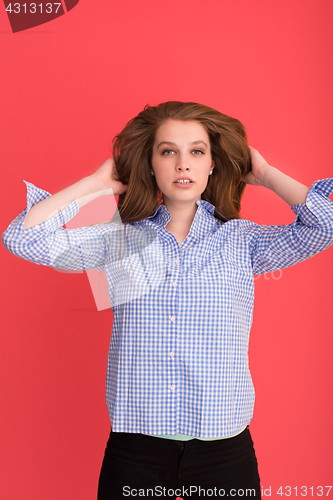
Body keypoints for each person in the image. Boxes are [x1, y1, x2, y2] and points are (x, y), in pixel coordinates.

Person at [2, 101, 333, 500]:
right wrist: (95, 184)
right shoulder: (119, 238)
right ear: (152, 164)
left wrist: (263, 173)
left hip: (224, 449)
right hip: (137, 448)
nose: (183, 164)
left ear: (212, 164)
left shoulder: (243, 241)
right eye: (168, 151)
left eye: (197, 151)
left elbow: (325, 224)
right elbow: (22, 238)